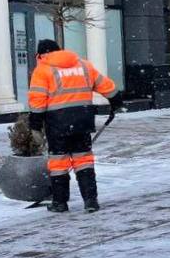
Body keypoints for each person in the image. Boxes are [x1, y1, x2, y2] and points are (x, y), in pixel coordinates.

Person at [28, 39, 122, 213]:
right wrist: (116, 101)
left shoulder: (42, 70)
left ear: (40, 55)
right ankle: (91, 201)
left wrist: (35, 125)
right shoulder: (84, 65)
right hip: (83, 120)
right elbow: (106, 86)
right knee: (84, 160)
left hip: (57, 123)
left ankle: (60, 202)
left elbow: (37, 102)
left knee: (58, 164)